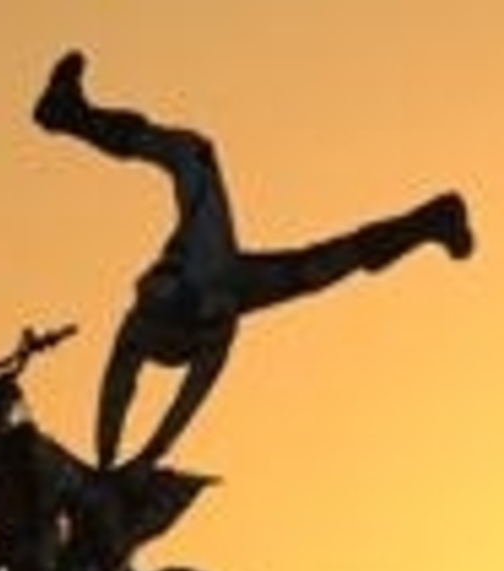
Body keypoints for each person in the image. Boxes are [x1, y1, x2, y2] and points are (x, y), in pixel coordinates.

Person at [32, 50, 475, 474]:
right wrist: (141, 457)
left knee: (315, 267)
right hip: (213, 290)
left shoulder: (145, 322)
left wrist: (112, 459)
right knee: (201, 162)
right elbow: (180, 395)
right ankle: (70, 114)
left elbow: (123, 391)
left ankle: (427, 223)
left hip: (207, 293)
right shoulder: (204, 311)